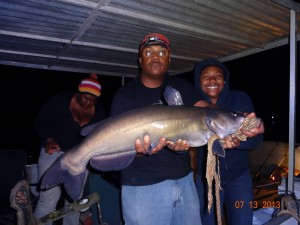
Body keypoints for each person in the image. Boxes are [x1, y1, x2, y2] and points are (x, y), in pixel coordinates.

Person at [110, 33, 210, 225]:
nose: (155, 57)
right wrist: (139, 152)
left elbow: (207, 110)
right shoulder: (125, 95)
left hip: (184, 182)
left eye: (162, 52)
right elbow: (117, 147)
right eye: (149, 52)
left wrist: (238, 120)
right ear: (140, 60)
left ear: (169, 59)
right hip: (143, 187)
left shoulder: (180, 87)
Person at [193, 58, 264, 225]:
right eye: (206, 76)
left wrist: (239, 143)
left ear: (224, 81)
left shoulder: (239, 98)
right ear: (199, 82)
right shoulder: (192, 105)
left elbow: (257, 140)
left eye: (217, 76)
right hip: (205, 180)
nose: (212, 80)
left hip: (238, 179)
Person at [33, 74, 106, 225]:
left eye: (93, 99)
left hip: (79, 158)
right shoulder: (59, 101)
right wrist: (49, 138)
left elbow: (99, 136)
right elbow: (39, 122)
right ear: (78, 92)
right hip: (54, 154)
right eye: (86, 97)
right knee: (48, 199)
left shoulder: (99, 111)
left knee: (74, 201)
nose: (88, 101)